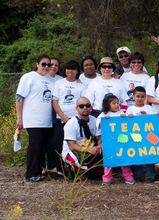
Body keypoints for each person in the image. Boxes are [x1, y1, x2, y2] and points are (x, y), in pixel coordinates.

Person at [16, 54, 55, 182]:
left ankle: (38, 171)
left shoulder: (51, 80)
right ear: (37, 64)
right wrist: (19, 118)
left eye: (48, 64)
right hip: (33, 118)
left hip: (47, 120)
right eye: (43, 64)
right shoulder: (29, 77)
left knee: (43, 146)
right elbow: (19, 98)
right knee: (35, 145)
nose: (46, 67)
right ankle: (31, 173)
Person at [52, 60, 86, 174]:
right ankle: (60, 169)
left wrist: (76, 118)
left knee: (76, 144)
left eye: (73, 69)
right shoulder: (59, 83)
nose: (70, 71)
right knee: (57, 143)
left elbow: (83, 102)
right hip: (61, 119)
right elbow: (55, 101)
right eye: (68, 69)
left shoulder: (81, 86)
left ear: (77, 71)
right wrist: (63, 116)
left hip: (76, 120)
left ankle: (74, 168)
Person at [95, 95, 135, 186]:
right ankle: (107, 178)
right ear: (107, 105)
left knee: (123, 159)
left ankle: (129, 177)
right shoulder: (103, 114)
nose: (117, 105)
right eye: (114, 103)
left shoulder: (121, 112)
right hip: (109, 142)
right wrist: (105, 121)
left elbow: (128, 123)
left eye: (118, 103)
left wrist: (129, 117)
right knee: (109, 160)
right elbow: (99, 126)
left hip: (121, 141)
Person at [62, 97, 103, 181]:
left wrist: (99, 146)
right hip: (73, 151)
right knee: (76, 160)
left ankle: (90, 170)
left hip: (90, 148)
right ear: (76, 108)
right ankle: (71, 170)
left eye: (87, 105)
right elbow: (72, 146)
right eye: (81, 106)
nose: (85, 108)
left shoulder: (95, 121)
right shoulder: (71, 124)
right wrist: (89, 149)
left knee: (101, 170)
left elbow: (99, 137)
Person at [126, 86, 159, 183]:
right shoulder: (130, 109)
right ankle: (138, 175)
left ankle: (150, 175)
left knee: (149, 154)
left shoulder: (149, 108)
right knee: (137, 155)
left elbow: (154, 121)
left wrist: (147, 116)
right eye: (138, 96)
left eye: (142, 96)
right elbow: (126, 124)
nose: (140, 99)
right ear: (133, 96)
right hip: (136, 136)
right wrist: (129, 117)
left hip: (148, 136)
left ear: (145, 97)